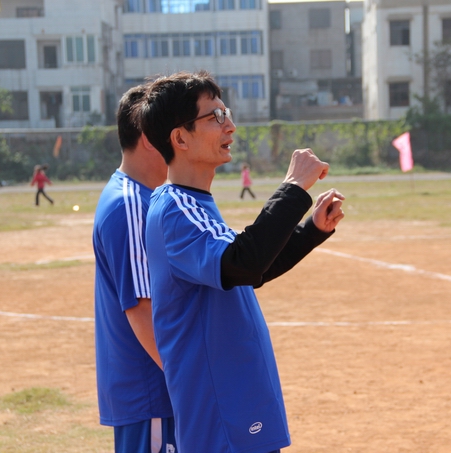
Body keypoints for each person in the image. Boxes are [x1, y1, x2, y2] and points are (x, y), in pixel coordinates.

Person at [135, 71, 345, 453]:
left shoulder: (195, 204)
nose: (229, 125)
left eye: (226, 113)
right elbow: (243, 262)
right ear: (180, 138)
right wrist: (292, 187)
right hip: (222, 418)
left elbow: (251, 270)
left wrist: (311, 230)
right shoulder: (176, 209)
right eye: (215, 116)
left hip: (237, 410)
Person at [92, 83, 177, 453]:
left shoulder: (145, 197)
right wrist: (189, 380)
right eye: (173, 130)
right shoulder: (129, 204)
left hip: (156, 393)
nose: (180, 140)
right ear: (148, 136)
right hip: (152, 393)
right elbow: (141, 309)